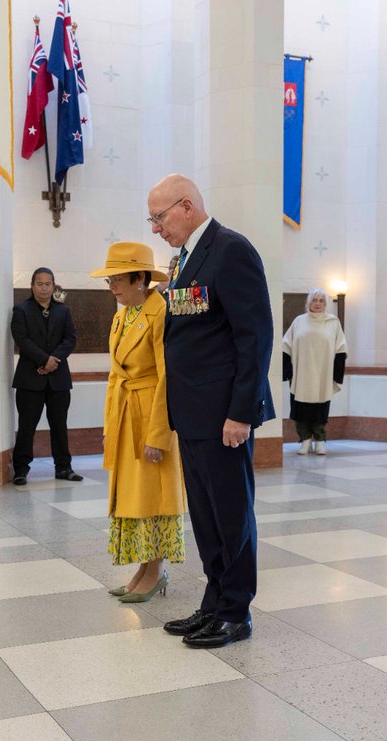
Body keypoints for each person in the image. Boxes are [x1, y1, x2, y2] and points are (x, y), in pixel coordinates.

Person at [148, 173, 275, 648]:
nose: (156, 228)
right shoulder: (183, 259)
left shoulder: (230, 250)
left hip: (225, 415)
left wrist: (241, 412)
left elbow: (254, 337)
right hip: (193, 412)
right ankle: (214, 601)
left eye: (159, 218)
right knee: (204, 514)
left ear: (185, 206)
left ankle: (236, 611)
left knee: (231, 513)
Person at [90, 242, 186, 603]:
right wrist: (108, 426)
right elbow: (116, 376)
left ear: (141, 278)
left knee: (153, 497)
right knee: (133, 498)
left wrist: (159, 434)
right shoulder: (122, 315)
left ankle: (156, 571)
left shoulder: (160, 313)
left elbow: (167, 377)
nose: (112, 286)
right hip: (125, 415)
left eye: (117, 279)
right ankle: (143, 568)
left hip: (150, 416)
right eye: (109, 280)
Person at [10, 268, 81, 486]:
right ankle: (21, 469)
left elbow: (70, 339)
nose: (44, 287)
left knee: (59, 425)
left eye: (48, 284)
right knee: (27, 427)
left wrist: (53, 362)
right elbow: (21, 339)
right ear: (32, 286)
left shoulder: (63, 310)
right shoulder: (21, 310)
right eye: (39, 283)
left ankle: (63, 467)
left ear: (53, 286)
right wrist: (43, 361)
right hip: (29, 380)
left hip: (58, 379)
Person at [282, 289, 347, 455]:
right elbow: (286, 346)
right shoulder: (299, 321)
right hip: (301, 373)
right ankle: (304, 440)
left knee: (320, 408)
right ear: (308, 303)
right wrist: (287, 371)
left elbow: (340, 348)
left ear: (325, 304)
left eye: (321, 300)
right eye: (314, 300)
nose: (317, 303)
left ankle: (319, 440)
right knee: (301, 408)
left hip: (322, 374)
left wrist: (337, 374)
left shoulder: (333, 323)